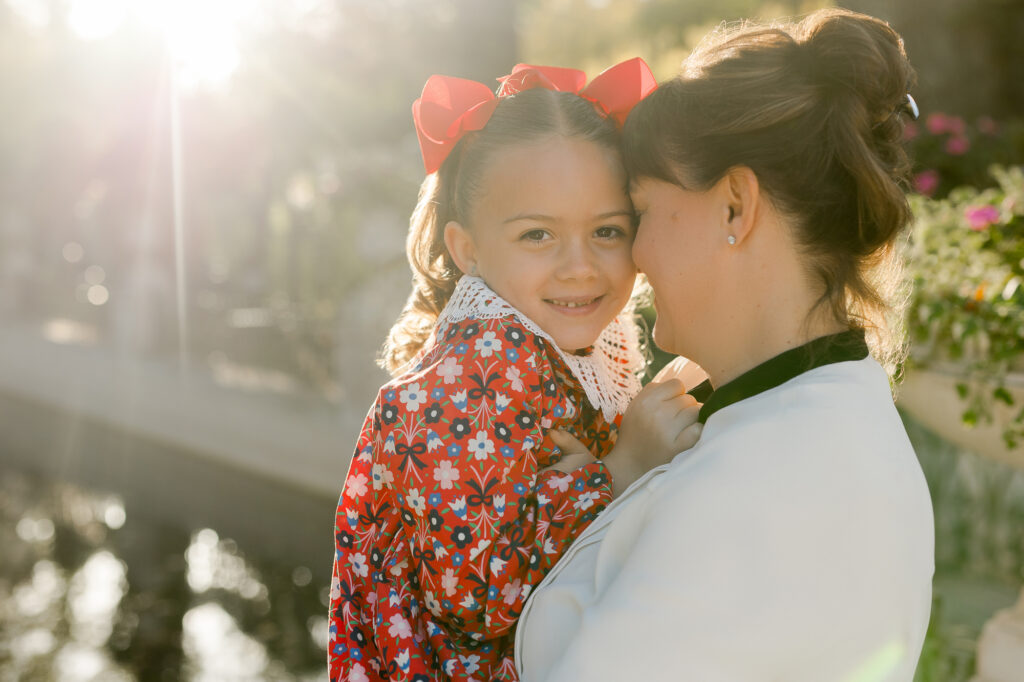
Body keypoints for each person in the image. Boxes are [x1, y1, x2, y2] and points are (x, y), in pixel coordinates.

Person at [515, 9, 935, 681]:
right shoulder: (819, 422)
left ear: (735, 206)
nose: (635, 256)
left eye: (641, 212)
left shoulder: (764, 481)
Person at [328, 58, 702, 682]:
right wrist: (617, 471)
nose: (580, 266)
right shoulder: (471, 374)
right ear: (467, 249)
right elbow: (472, 596)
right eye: (537, 236)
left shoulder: (563, 342)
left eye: (608, 231)